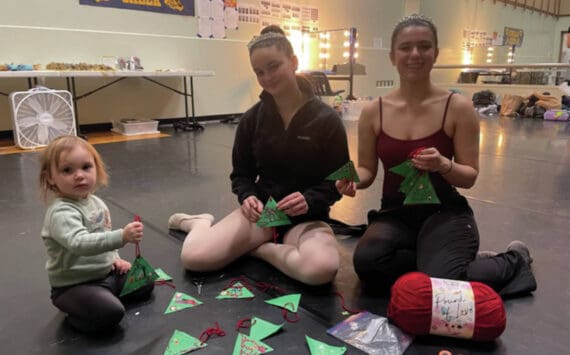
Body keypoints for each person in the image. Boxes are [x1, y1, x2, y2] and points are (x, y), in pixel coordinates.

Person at [336, 14, 536, 297]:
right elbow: (367, 169)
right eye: (405, 48)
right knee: (368, 263)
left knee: (441, 287)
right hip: (395, 215)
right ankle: (445, 260)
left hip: (445, 213)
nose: (415, 54)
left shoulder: (458, 108)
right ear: (393, 56)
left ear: (436, 53)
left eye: (424, 46)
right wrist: (352, 179)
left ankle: (515, 259)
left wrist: (443, 164)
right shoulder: (373, 111)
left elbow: (469, 178)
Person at [169, 25, 350, 286]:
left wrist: (310, 199)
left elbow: (340, 181)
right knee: (194, 258)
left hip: (307, 219)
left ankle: (257, 250)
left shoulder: (327, 119)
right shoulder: (252, 119)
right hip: (263, 214)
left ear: (294, 61)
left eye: (274, 66)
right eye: (259, 72)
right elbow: (241, 174)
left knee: (321, 270)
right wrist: (248, 196)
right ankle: (198, 223)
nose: (267, 77)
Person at [39, 136, 154, 333]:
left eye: (86, 167)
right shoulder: (61, 212)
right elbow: (80, 243)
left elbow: (102, 234)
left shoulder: (96, 203)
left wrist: (115, 258)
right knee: (111, 313)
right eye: (67, 170)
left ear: (96, 169)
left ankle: (102, 299)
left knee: (146, 281)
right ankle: (80, 313)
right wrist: (122, 236)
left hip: (105, 275)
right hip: (74, 286)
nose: (79, 175)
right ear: (50, 177)